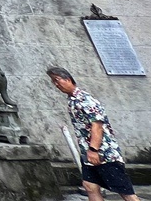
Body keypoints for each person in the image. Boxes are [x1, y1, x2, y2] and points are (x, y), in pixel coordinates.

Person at [47, 66, 141, 201]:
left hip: (104, 153)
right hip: (88, 152)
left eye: (57, 80)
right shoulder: (72, 100)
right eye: (53, 82)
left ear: (68, 79)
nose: (56, 85)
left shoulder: (85, 99)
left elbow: (97, 126)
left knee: (124, 191)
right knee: (90, 186)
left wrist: (93, 149)